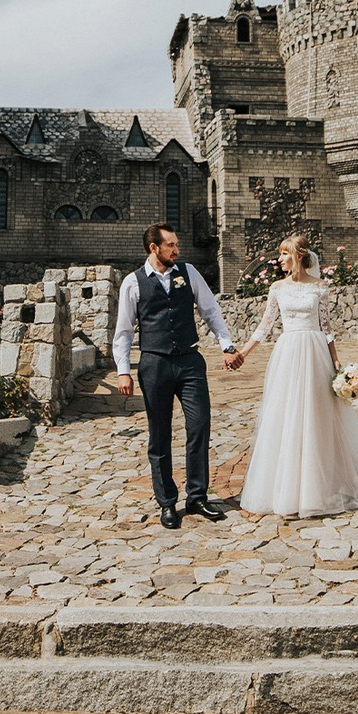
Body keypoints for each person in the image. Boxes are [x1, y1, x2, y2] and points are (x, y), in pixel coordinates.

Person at [236, 233, 358, 518]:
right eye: (280, 254)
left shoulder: (320, 287)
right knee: (287, 415)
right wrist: (243, 353)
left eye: (285, 254)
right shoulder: (276, 288)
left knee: (318, 416)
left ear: (298, 256)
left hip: (315, 353)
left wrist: (337, 363)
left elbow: (327, 328)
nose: (280, 259)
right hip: (288, 353)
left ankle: (323, 484)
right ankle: (288, 489)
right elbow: (264, 326)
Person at [112, 222, 241, 529]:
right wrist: (123, 371)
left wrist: (226, 344)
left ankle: (197, 496)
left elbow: (210, 311)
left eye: (176, 244)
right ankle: (167, 502)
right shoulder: (132, 282)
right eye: (170, 245)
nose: (177, 250)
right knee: (159, 434)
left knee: (199, 425)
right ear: (153, 248)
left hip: (190, 361)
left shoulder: (189, 272)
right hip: (154, 364)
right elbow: (124, 331)